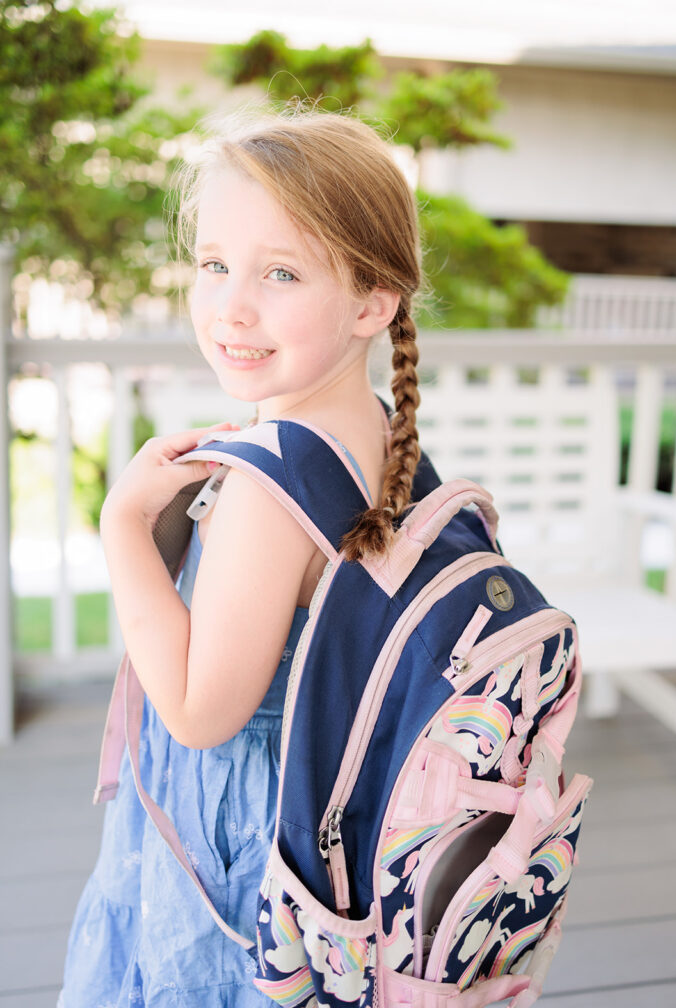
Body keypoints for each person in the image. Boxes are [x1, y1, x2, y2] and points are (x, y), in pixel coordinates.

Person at [59, 107, 423, 1007]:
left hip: (243, 842)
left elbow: (194, 713)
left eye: (281, 273)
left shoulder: (270, 485)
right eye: (214, 265)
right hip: (336, 810)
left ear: (372, 301)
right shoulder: (376, 434)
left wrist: (120, 526)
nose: (231, 307)